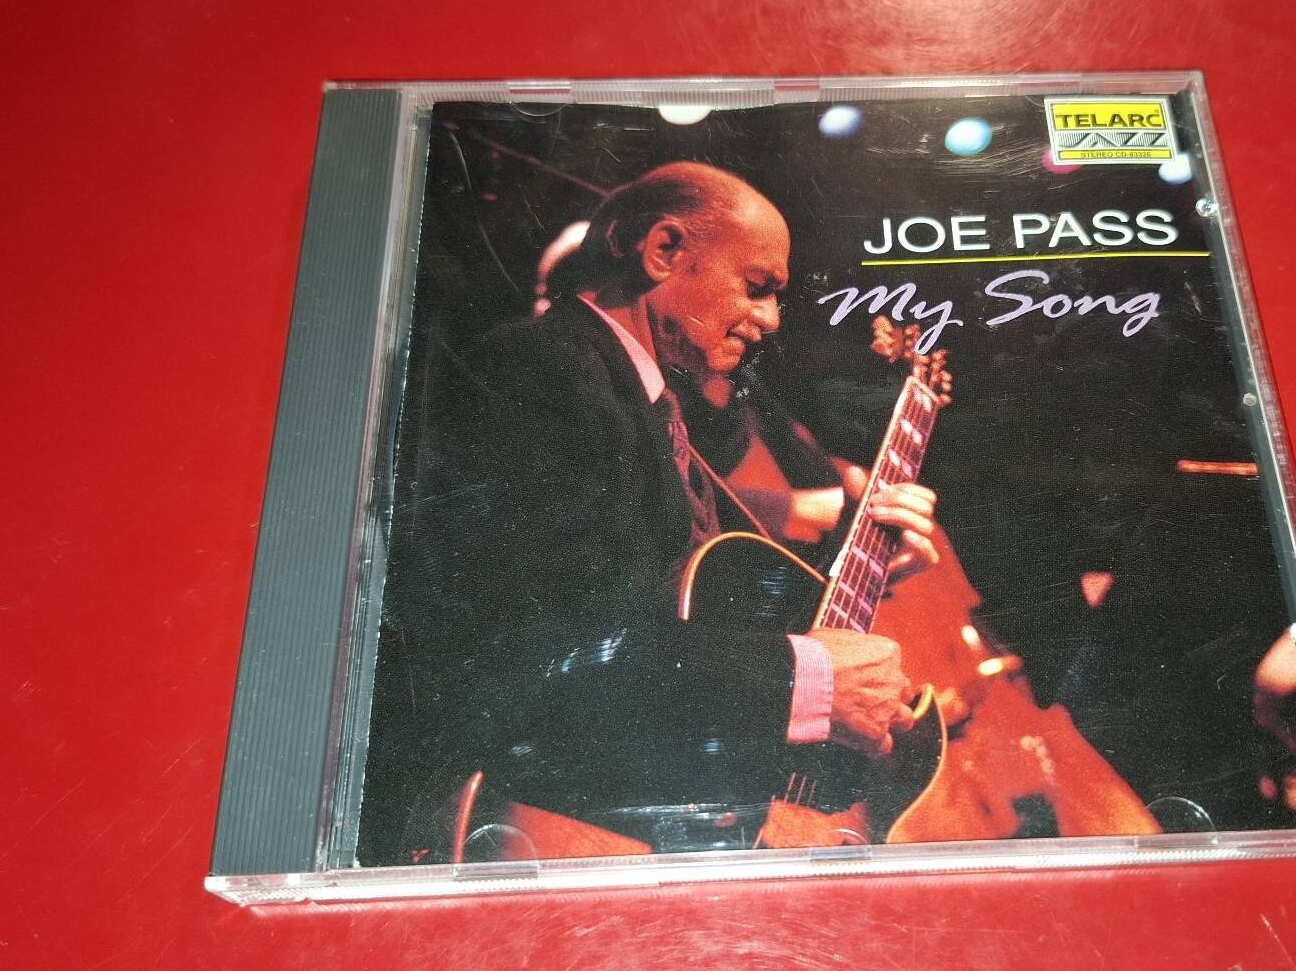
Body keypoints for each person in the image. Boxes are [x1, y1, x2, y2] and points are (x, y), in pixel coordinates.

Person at [362, 162, 941, 857]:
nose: (770, 320)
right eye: (757, 287)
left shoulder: (645, 408)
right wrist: (809, 678)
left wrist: (860, 560)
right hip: (553, 824)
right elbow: (537, 640)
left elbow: (660, 602)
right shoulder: (541, 370)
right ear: (663, 251)